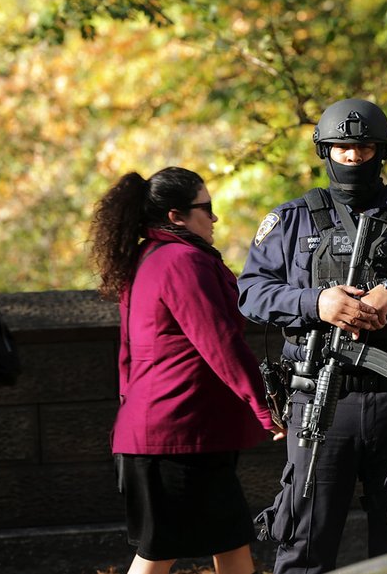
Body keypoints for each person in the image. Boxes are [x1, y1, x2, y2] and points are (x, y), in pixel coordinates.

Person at [238, 98, 387, 574]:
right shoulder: (291, 219)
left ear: (381, 151)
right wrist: (315, 303)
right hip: (320, 401)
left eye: (362, 147)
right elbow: (251, 292)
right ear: (324, 151)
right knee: (304, 539)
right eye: (341, 147)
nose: (351, 157)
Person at [89, 166, 285, 574]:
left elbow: (127, 357)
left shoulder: (147, 259)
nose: (214, 218)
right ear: (176, 216)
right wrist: (265, 409)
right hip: (177, 438)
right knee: (160, 553)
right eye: (206, 208)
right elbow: (221, 344)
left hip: (167, 435)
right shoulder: (183, 261)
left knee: (227, 542)